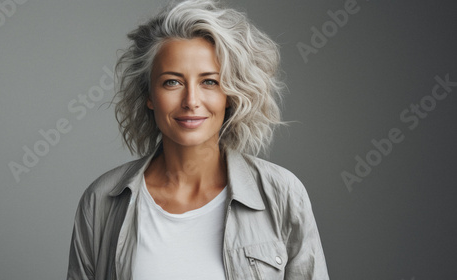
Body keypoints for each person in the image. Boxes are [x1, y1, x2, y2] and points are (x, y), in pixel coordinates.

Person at [67, 0, 329, 279]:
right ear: (149, 95)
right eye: (172, 82)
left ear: (231, 95)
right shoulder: (102, 201)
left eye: (210, 82)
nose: (191, 101)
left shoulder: (282, 194)